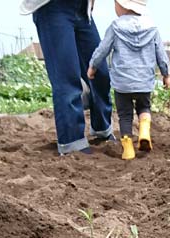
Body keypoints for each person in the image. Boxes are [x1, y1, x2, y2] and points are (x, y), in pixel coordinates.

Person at [23, 0, 114, 156]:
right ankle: (72, 143)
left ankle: (101, 128)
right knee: (66, 79)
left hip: (81, 8)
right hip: (52, 7)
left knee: (101, 73)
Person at [87, 0, 170, 161]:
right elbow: (161, 54)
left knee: (125, 115)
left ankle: (128, 149)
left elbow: (102, 49)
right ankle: (144, 131)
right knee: (144, 107)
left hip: (122, 82)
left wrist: (93, 66)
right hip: (144, 80)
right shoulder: (152, 28)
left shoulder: (115, 27)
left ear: (122, 6)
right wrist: (166, 74)